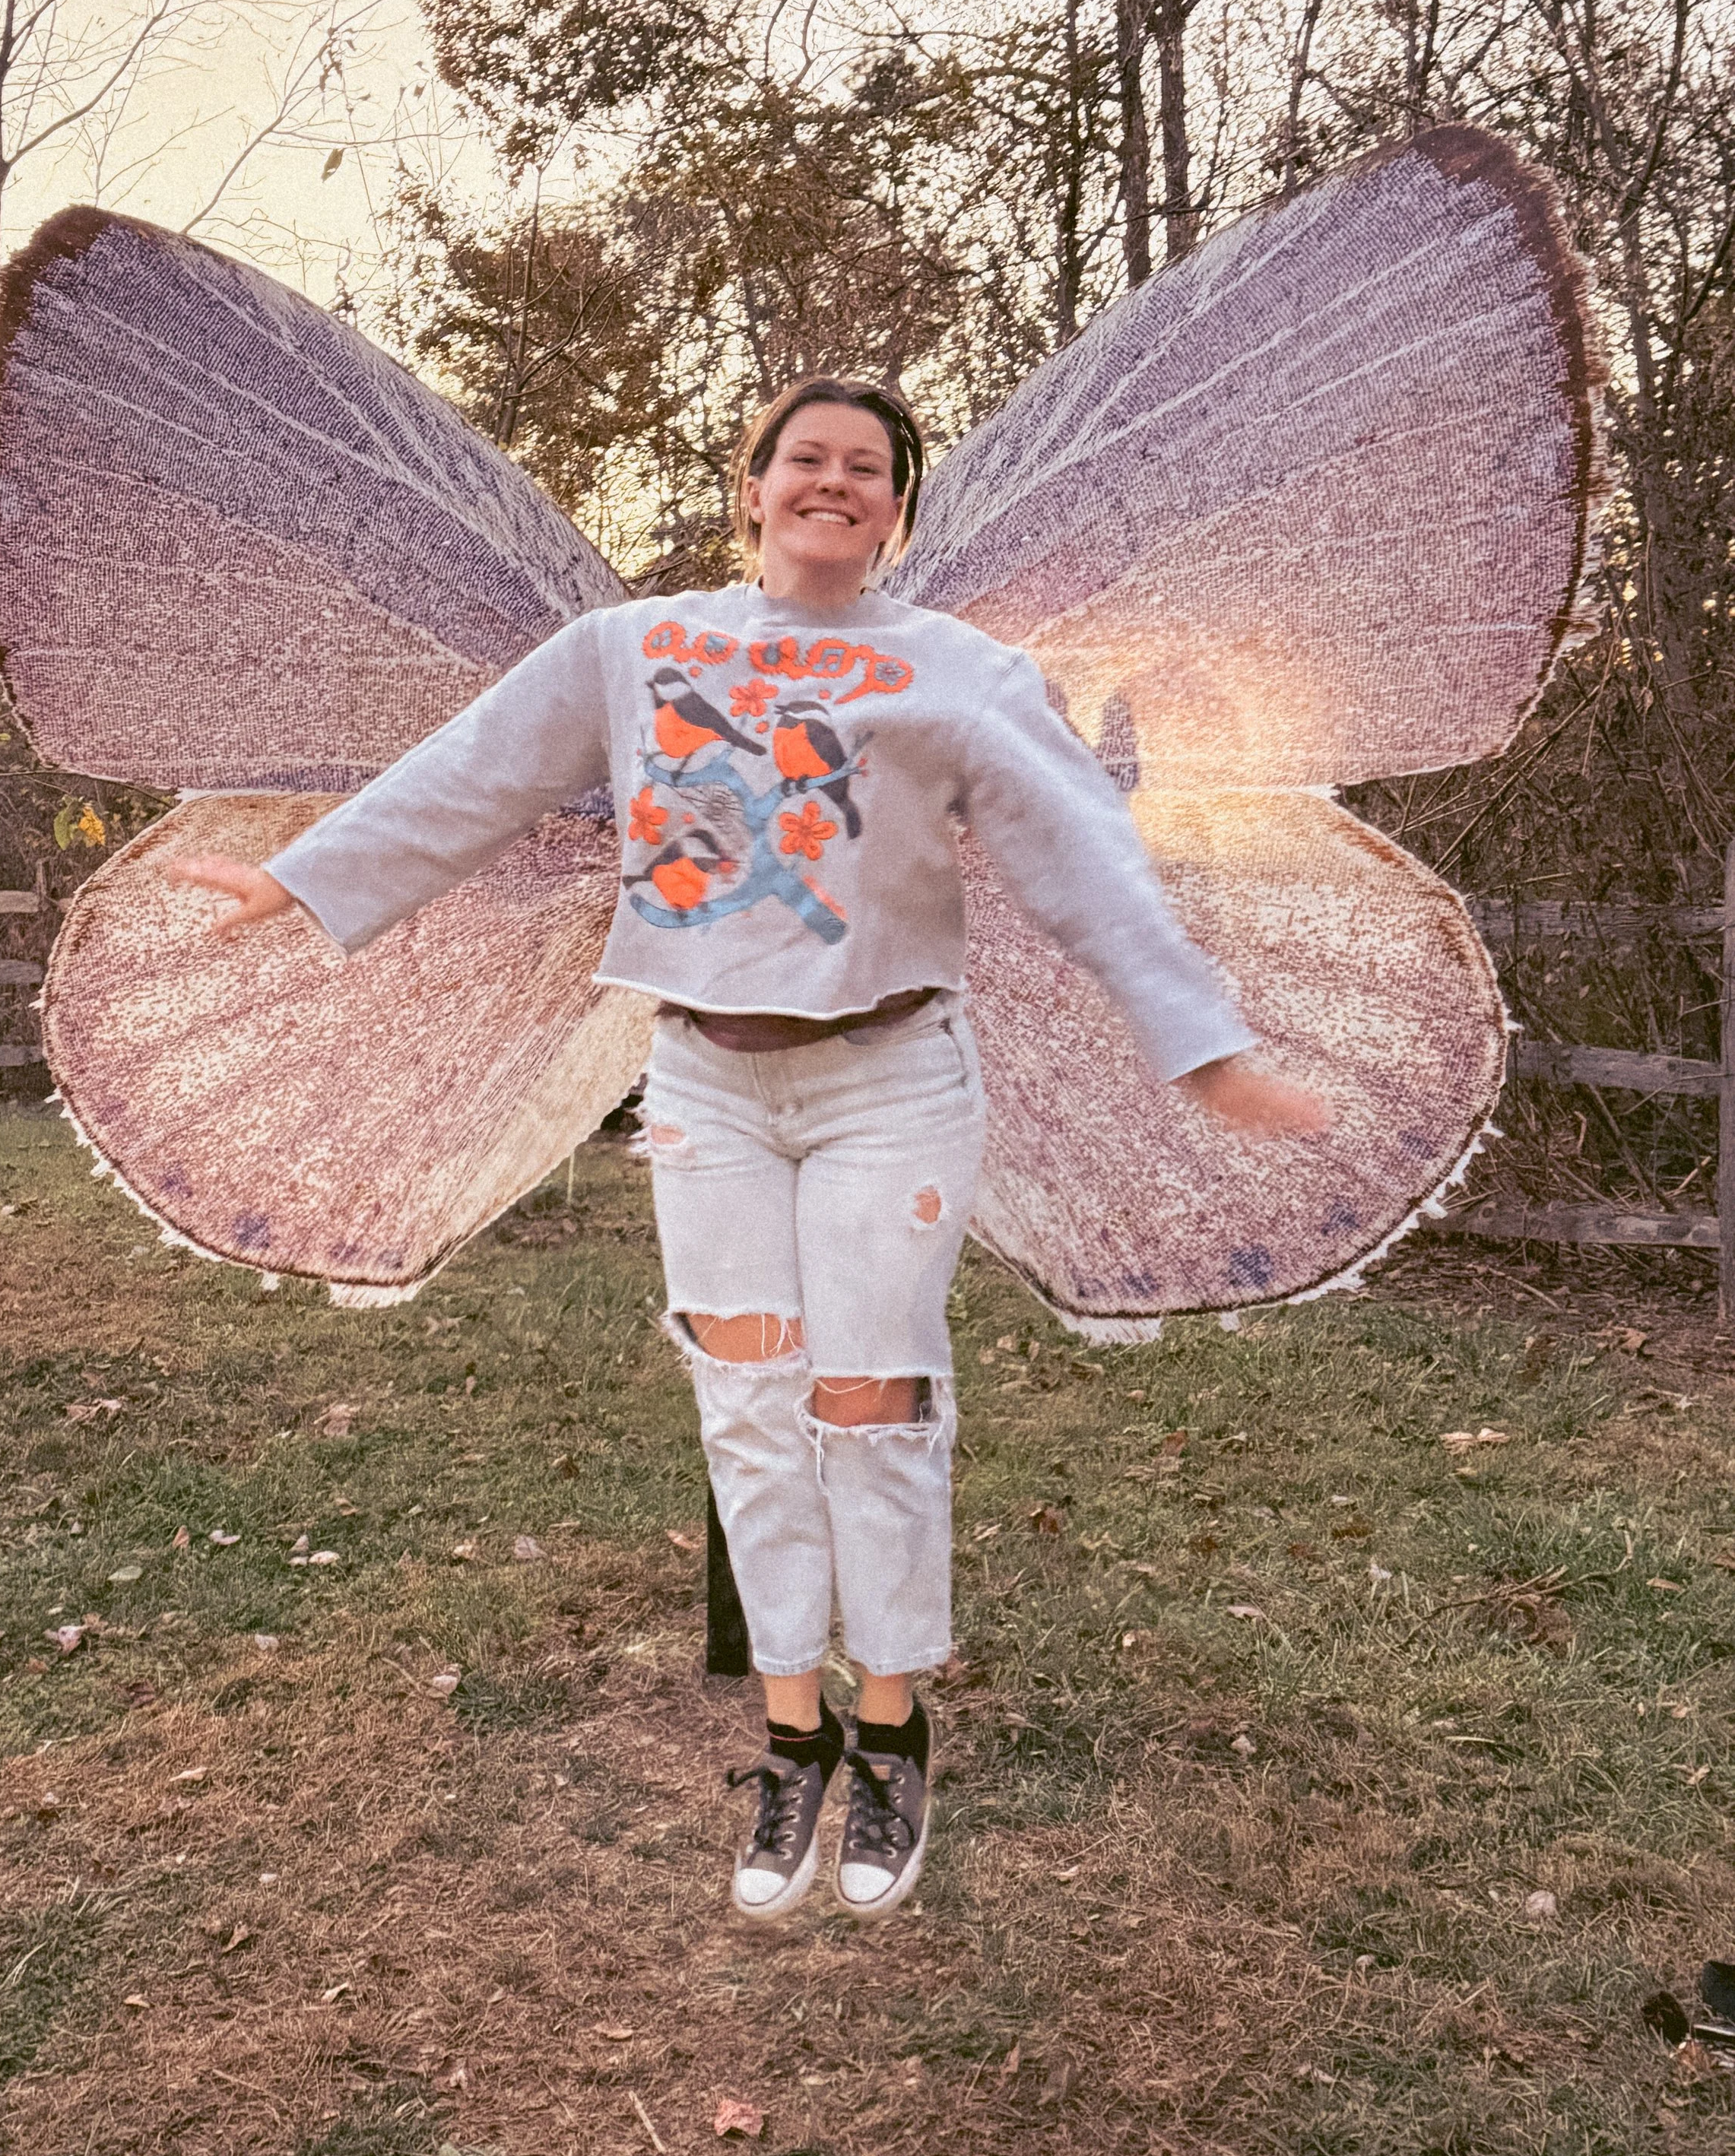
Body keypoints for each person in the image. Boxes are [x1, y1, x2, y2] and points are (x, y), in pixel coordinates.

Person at [167, 376, 1328, 1924]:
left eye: (865, 468)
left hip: (890, 1083)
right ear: (752, 487)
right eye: (804, 460)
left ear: (897, 509)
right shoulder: (634, 648)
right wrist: (304, 881)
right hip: (704, 1085)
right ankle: (792, 1742)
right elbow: (476, 772)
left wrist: (1197, 1032)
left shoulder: (960, 669)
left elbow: (1081, 848)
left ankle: (893, 1728)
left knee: (869, 1395)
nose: (831, 483)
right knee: (748, 1404)